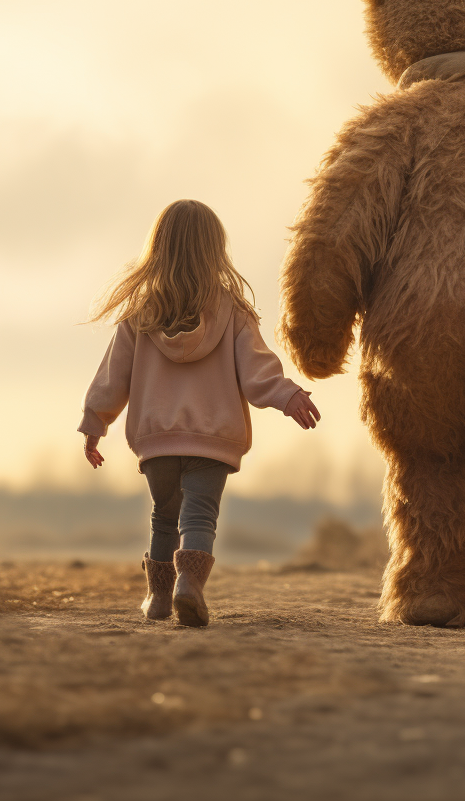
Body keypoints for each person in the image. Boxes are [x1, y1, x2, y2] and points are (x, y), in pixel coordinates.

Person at [78, 199, 320, 627]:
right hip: (214, 440)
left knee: (163, 516)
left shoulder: (139, 316)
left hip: (157, 442)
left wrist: (95, 424)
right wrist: (289, 396)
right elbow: (258, 372)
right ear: (215, 251)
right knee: (199, 516)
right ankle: (188, 585)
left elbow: (112, 378)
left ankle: (157, 598)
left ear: (158, 250)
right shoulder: (234, 314)